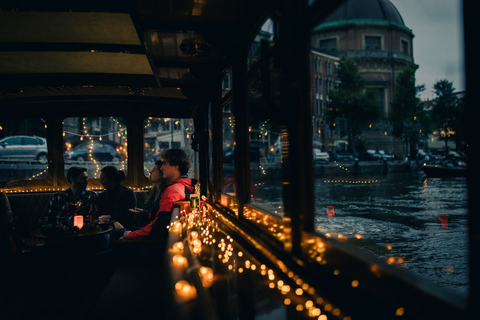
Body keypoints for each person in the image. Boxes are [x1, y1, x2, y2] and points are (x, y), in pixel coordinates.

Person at [124, 149, 197, 239]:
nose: (162, 168)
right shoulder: (186, 186)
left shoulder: (173, 191)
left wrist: (132, 234)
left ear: (176, 166)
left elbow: (159, 226)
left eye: (164, 163)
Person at [97, 166, 137, 239]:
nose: (100, 182)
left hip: (126, 227)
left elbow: (130, 217)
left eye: (103, 179)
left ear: (112, 179)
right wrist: (114, 221)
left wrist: (110, 217)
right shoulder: (102, 196)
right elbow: (100, 216)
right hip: (107, 227)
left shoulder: (128, 193)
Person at [128, 159, 167, 229]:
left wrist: (143, 213)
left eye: (154, 170)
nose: (150, 172)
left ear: (162, 174)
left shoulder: (165, 193)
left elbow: (157, 216)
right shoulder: (152, 191)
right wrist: (143, 212)